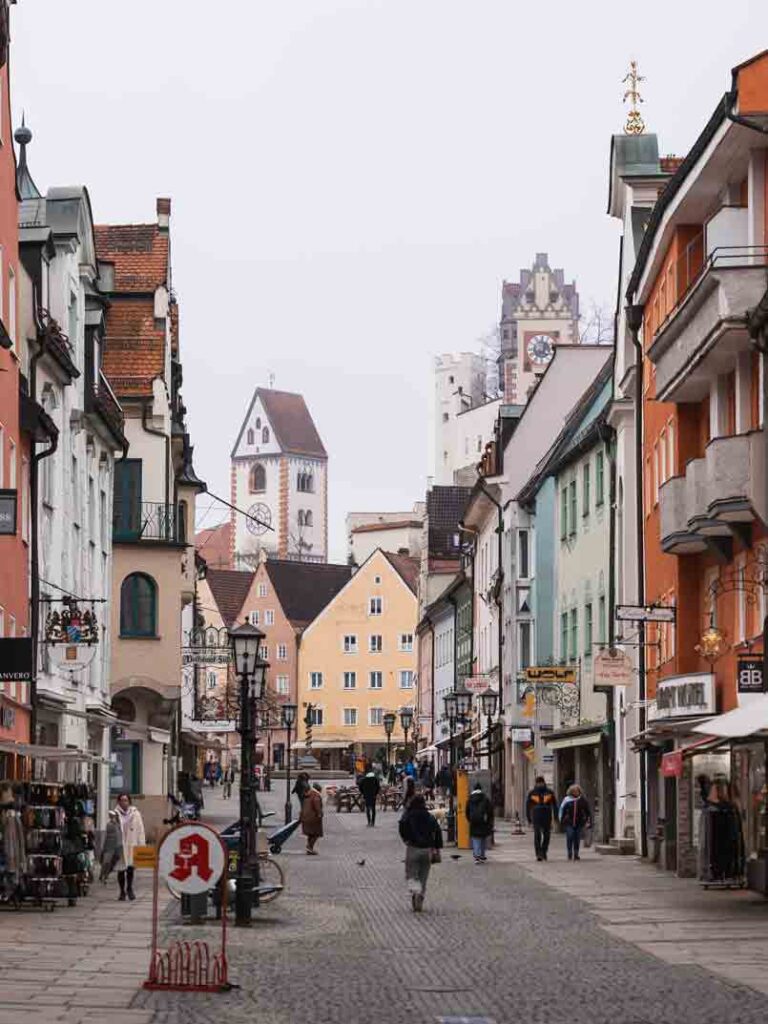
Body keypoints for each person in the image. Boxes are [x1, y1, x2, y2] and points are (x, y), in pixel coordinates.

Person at [398, 794, 443, 912]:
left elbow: (402, 826)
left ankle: (415, 891)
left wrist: (406, 839)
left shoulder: (408, 815)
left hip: (413, 848)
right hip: (427, 849)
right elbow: (437, 831)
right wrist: (437, 847)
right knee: (423, 875)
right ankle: (420, 895)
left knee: (411, 874)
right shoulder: (429, 816)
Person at [114, 792, 146, 900]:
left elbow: (140, 830)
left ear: (129, 802)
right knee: (120, 869)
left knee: (130, 868)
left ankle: (130, 889)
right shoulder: (115, 814)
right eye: (122, 800)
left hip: (132, 843)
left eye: (126, 800)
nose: (124, 802)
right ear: (118, 802)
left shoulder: (135, 814)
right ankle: (122, 891)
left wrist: (141, 845)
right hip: (120, 844)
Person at [526, 775, 558, 861]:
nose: (540, 784)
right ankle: (538, 854)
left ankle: (544, 851)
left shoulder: (549, 792)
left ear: (544, 783)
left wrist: (555, 816)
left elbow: (554, 805)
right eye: (538, 783)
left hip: (547, 816)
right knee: (537, 835)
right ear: (536, 784)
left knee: (547, 835)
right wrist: (529, 818)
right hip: (536, 816)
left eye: (541, 782)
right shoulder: (532, 793)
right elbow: (528, 806)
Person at [559, 784, 592, 861]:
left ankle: (576, 853)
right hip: (569, 823)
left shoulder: (582, 800)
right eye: (574, 791)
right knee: (570, 836)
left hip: (579, 822)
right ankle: (569, 852)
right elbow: (562, 811)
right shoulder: (567, 800)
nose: (575, 792)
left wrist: (588, 820)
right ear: (571, 792)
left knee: (577, 838)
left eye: (577, 791)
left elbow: (587, 812)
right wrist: (562, 820)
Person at [466, 782, 494, 863]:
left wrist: (469, 819)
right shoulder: (485, 799)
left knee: (475, 839)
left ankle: (476, 855)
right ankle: (482, 855)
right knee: (482, 839)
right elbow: (490, 811)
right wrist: (489, 821)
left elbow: (467, 812)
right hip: (483, 822)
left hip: (473, 822)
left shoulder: (470, 799)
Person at [99, 809, 123, 883]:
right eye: (112, 816)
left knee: (113, 862)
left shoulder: (118, 825)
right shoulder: (109, 825)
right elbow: (105, 836)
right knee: (106, 862)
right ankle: (102, 875)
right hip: (109, 847)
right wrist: (103, 847)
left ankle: (106, 875)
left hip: (117, 846)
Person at [300, 782, 324, 854]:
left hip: (306, 816)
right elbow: (317, 806)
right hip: (313, 817)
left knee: (311, 834)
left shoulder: (309, 794)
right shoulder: (316, 795)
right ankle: (310, 847)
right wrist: (320, 814)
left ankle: (309, 847)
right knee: (316, 833)